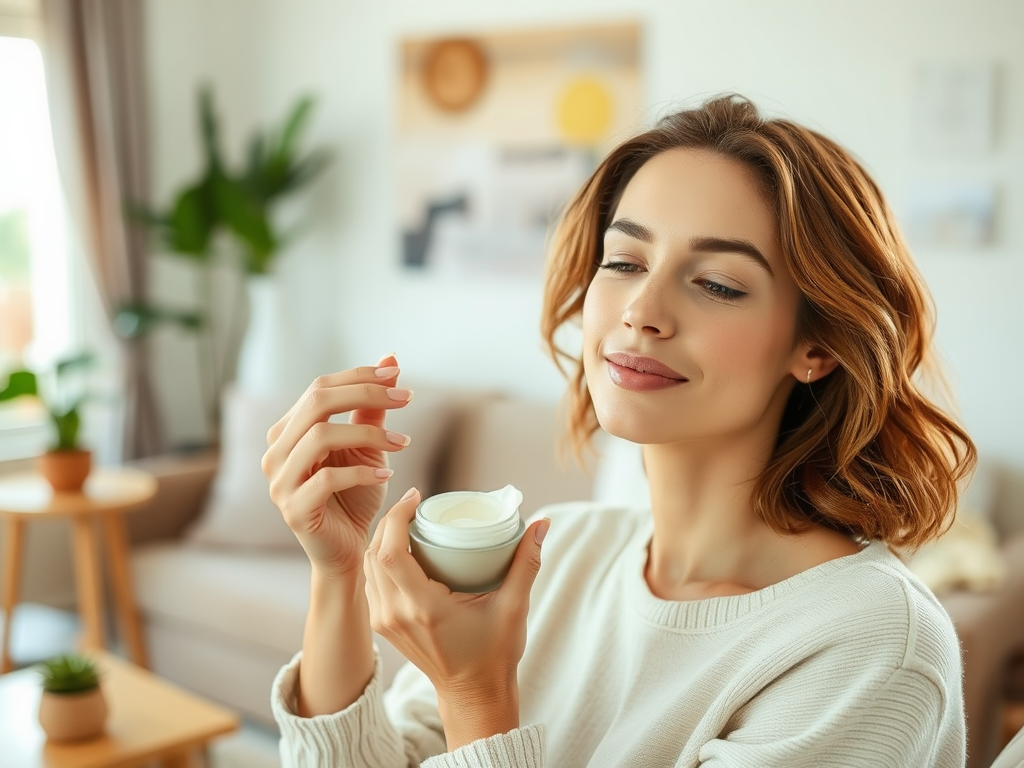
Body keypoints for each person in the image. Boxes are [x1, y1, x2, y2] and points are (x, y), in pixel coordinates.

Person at [262, 94, 976, 768]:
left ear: (816, 347)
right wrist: (338, 573)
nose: (641, 309)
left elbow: (465, 717)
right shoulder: (559, 550)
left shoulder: (872, 644)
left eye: (718, 284)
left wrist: (476, 693)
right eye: (625, 262)